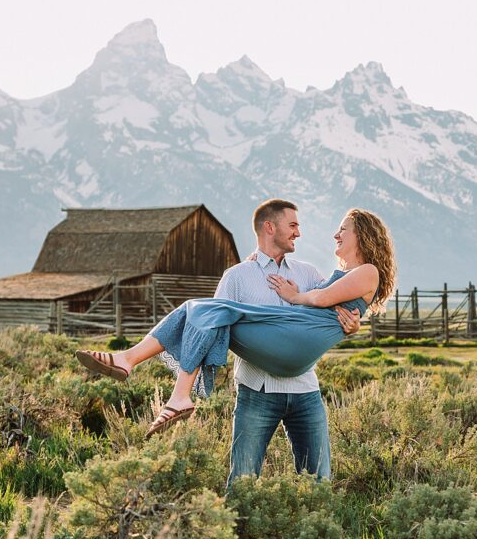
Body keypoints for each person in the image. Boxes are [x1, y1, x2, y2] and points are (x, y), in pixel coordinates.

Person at [76, 201, 397, 481]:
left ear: (363, 235)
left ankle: (167, 387)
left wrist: (297, 296)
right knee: (200, 312)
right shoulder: (238, 275)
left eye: (343, 229)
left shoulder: (339, 271)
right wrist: (342, 317)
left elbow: (325, 299)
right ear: (269, 228)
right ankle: (137, 367)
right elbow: (334, 304)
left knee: (202, 310)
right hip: (257, 386)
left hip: (301, 381)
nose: (331, 234)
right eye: (293, 225)